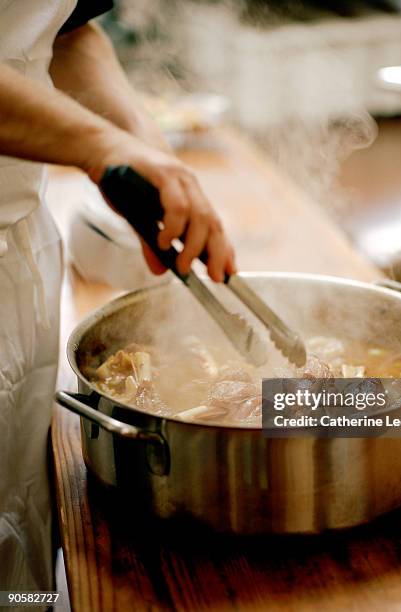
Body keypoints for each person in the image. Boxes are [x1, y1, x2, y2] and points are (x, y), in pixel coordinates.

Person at [0, 0, 235, 594]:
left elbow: (66, 30)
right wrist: (101, 146)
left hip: (19, 250)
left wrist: (145, 149)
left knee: (20, 543)